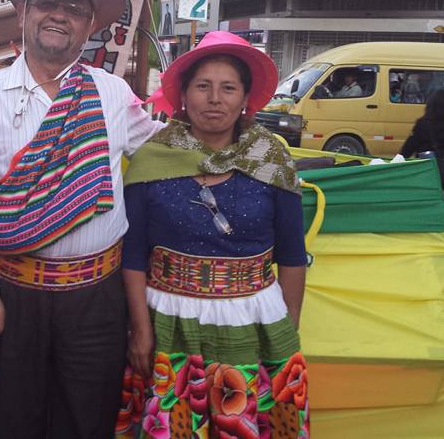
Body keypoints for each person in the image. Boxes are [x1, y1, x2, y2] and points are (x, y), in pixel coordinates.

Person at [0, 0, 163, 437]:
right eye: (47, 4)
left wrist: (240, 150)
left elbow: (163, 151)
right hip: (12, 296)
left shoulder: (113, 93)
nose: (59, 16)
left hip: (97, 297)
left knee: (88, 420)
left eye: (75, 9)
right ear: (22, 15)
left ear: (89, 26)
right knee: (15, 420)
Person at [120, 31, 309, 438]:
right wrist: (140, 328)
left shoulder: (272, 160)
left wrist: (287, 328)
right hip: (168, 320)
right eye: (203, 86)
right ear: (184, 95)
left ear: (245, 99)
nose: (215, 99)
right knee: (172, 428)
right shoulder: (152, 159)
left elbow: (293, 255)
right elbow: (133, 255)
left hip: (255, 321)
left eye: (228, 88)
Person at [401, 90, 444, 250]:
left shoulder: (422, 123)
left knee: (424, 205)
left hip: (426, 171)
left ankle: (425, 239)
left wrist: (397, 162)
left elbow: (408, 147)